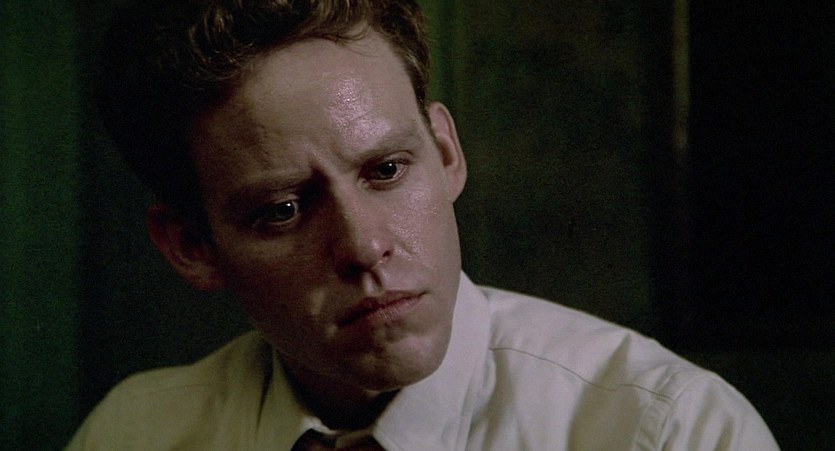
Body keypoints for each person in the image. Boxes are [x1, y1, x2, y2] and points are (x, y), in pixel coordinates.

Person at [67, 0, 779, 449]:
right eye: (282, 209)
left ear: (444, 153)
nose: (364, 245)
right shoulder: (134, 435)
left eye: (385, 170)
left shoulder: (671, 430)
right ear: (191, 247)